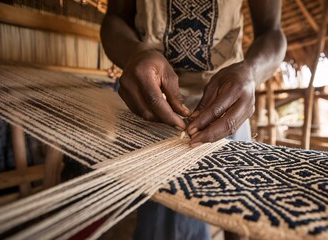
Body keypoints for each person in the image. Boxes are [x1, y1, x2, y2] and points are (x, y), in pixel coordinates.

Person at [101, 0, 286, 239]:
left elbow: (272, 32)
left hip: (229, 100)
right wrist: (135, 54)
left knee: (237, 217)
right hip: (154, 100)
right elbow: (114, 20)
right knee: (169, 225)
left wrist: (251, 71)